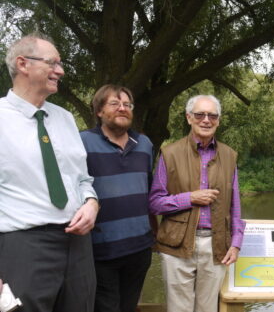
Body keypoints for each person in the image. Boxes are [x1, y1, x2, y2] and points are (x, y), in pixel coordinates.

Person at [0, 33, 99, 311]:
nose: (60, 70)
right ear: (23, 64)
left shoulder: (65, 119)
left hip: (78, 245)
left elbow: (83, 179)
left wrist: (91, 203)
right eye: (52, 63)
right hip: (23, 247)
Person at [149, 94, 245, 312]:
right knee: (179, 309)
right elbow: (155, 203)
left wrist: (236, 242)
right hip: (176, 245)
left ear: (218, 120)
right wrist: (190, 198)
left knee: (208, 309)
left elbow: (235, 205)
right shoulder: (169, 153)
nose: (206, 120)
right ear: (189, 117)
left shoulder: (229, 155)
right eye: (200, 114)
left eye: (212, 115)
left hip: (217, 244)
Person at [80, 84, 156, 312]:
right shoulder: (82, 142)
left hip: (140, 248)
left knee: (129, 307)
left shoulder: (145, 144)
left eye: (127, 104)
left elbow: (149, 189)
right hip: (100, 250)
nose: (122, 108)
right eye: (114, 103)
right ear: (99, 111)